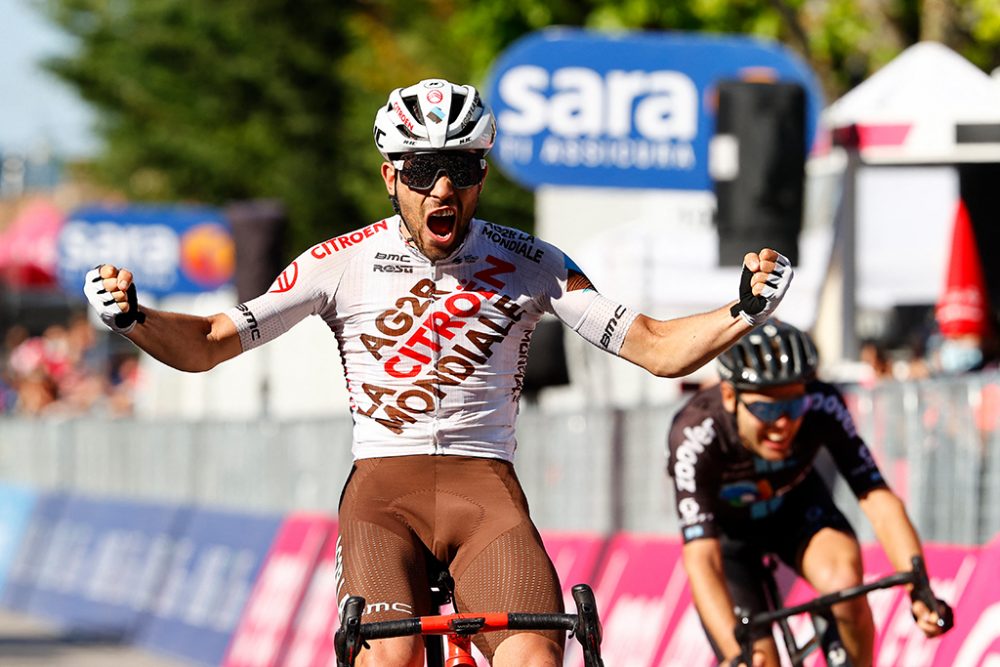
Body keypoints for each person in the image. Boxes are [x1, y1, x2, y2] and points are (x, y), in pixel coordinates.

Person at [84, 78, 794, 667]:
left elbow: (654, 345)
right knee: (388, 659)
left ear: (485, 173)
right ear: (391, 174)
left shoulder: (531, 261)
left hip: (486, 493)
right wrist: (134, 317)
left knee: (538, 659)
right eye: (423, 170)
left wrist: (744, 308)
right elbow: (209, 341)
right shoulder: (341, 260)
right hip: (382, 498)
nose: (444, 187)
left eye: (464, 168)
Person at [665, 320, 951, 667]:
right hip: (729, 542)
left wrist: (919, 589)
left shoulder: (822, 402)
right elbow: (701, 559)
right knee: (756, 661)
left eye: (793, 407)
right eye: (767, 409)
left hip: (796, 512)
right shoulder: (695, 434)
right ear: (729, 396)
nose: (783, 424)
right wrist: (735, 651)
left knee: (845, 587)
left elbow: (877, 497)